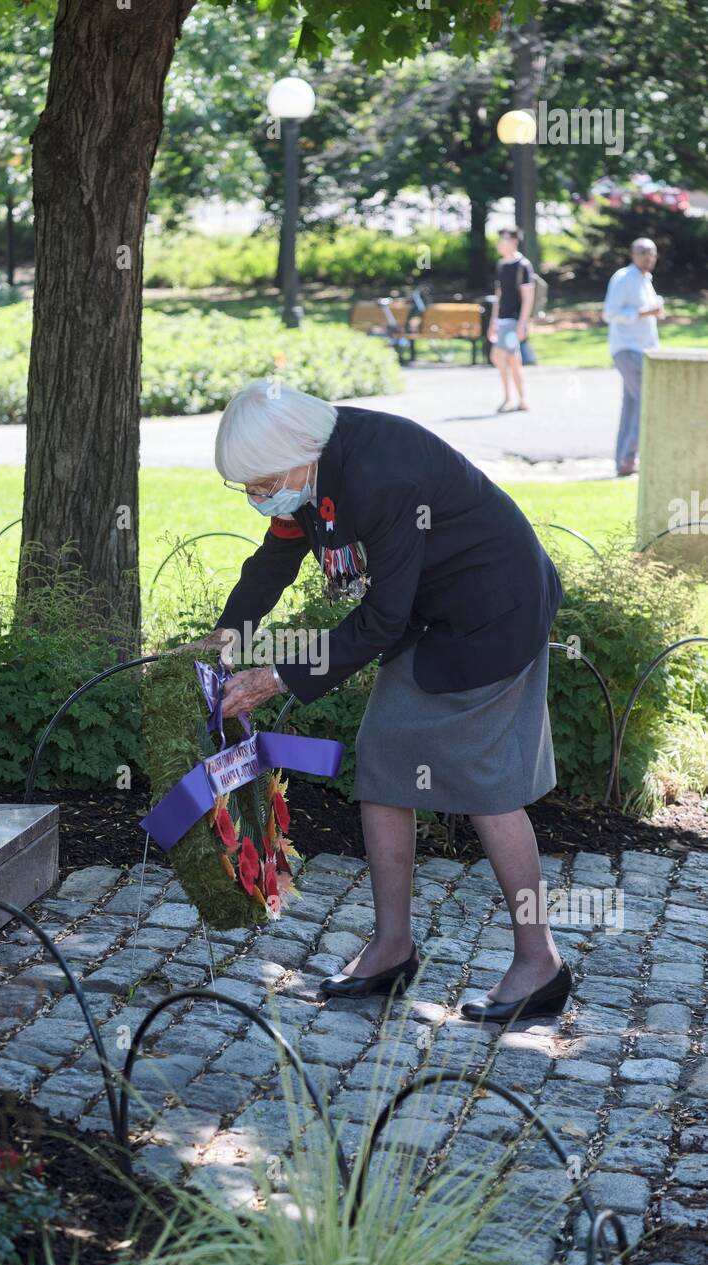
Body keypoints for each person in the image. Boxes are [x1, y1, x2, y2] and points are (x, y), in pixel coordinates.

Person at [181, 379, 571, 1023]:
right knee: (386, 761)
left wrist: (277, 676)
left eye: (261, 483)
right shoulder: (306, 473)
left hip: (492, 615)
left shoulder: (380, 477)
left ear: (301, 450)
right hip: (432, 616)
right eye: (245, 488)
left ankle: (540, 963)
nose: (257, 498)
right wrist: (224, 640)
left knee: (488, 787)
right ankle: (392, 948)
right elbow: (272, 564)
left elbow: (381, 621)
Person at [601, 237, 664, 477]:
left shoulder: (645, 280)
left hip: (644, 350)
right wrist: (644, 312)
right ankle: (629, 458)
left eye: (652, 253)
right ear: (632, 254)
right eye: (643, 252)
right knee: (645, 401)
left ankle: (624, 460)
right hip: (627, 349)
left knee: (632, 405)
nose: (649, 257)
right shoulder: (624, 278)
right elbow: (610, 313)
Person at [488, 227, 535, 413]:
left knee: (498, 355)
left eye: (504, 240)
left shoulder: (523, 265)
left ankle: (512, 398)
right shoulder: (501, 265)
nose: (500, 244)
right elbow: (499, 295)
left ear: (514, 242)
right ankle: (518, 399)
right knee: (513, 360)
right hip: (501, 321)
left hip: (514, 321)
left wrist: (522, 324)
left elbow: (528, 298)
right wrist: (493, 321)